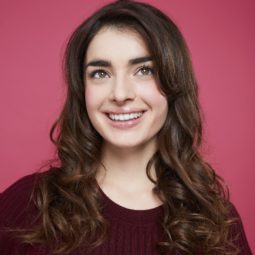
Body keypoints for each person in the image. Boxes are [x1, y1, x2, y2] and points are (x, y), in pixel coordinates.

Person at [0, 0, 252, 254]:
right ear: (82, 91)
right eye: (100, 73)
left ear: (174, 82)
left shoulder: (216, 223)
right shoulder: (27, 204)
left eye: (144, 70)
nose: (120, 94)